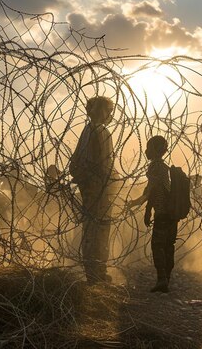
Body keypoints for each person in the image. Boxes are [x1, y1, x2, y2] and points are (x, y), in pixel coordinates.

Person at [70, 96, 116, 284]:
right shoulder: (101, 131)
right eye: (108, 111)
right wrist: (112, 182)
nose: (110, 115)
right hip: (100, 189)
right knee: (100, 230)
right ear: (101, 111)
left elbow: (74, 165)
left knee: (91, 229)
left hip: (90, 187)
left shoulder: (87, 130)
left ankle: (93, 271)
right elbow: (105, 165)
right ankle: (97, 273)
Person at [127, 136, 178, 292]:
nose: (146, 151)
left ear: (155, 150)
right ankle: (166, 280)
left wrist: (145, 210)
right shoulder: (165, 168)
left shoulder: (155, 167)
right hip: (172, 214)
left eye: (149, 148)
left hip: (162, 213)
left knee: (157, 246)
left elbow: (152, 191)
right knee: (169, 246)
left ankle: (162, 279)